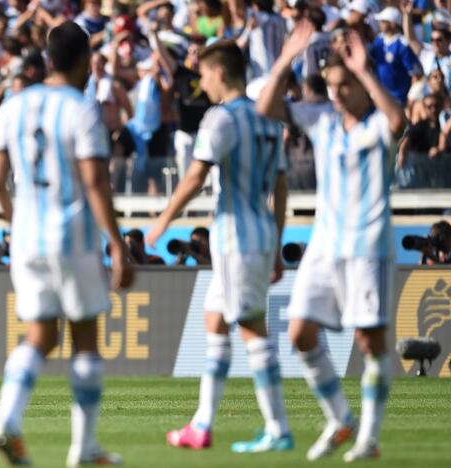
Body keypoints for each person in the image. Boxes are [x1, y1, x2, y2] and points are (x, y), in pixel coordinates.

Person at [256, 20, 407, 462]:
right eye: (332, 84)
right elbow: (264, 108)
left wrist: (364, 71)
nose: (337, 93)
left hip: (367, 247)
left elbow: (399, 120)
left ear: (359, 85)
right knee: (300, 333)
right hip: (323, 248)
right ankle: (342, 418)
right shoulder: (320, 121)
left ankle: (370, 439)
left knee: (370, 344)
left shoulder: (377, 126)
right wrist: (285, 58)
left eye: (345, 85)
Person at [0, 21, 134, 467]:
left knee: (40, 335)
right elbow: (94, 180)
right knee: (85, 338)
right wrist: (118, 244)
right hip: (73, 239)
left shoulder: (12, 106)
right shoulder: (81, 108)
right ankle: (84, 448)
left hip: (27, 241)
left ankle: (7, 420)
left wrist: (20, 223)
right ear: (86, 61)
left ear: (47, 59)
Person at [145, 40, 292, 453]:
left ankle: (278, 427)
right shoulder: (268, 121)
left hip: (235, 236)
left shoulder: (221, 118)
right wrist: (278, 243)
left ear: (221, 73)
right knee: (213, 320)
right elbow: (280, 188)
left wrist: (162, 219)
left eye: (205, 75)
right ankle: (202, 423)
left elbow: (194, 177)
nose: (202, 83)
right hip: (260, 232)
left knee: (250, 328)